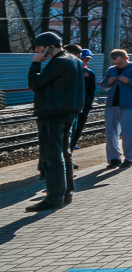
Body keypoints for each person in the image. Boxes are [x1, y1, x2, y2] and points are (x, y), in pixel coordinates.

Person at [26, 32, 85, 212]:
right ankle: (66, 193)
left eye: (39, 49)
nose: (37, 52)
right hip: (68, 112)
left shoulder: (59, 61)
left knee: (52, 157)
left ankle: (54, 197)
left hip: (53, 113)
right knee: (64, 154)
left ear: (49, 47)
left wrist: (36, 63)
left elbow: (35, 83)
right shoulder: (74, 60)